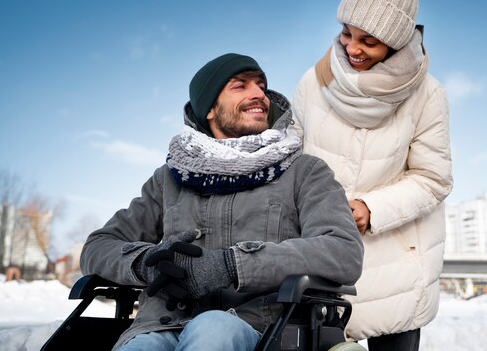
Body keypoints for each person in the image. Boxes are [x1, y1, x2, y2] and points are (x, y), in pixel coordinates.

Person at [80, 53, 364, 351]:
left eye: (261, 86)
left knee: (213, 329)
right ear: (210, 110)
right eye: (240, 86)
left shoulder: (304, 171)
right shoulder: (169, 179)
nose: (259, 95)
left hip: (262, 328)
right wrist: (148, 264)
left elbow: (343, 251)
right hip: (163, 323)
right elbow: (97, 247)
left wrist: (231, 265)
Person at [290, 0, 453, 351]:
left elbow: (434, 178)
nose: (352, 47)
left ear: (395, 43)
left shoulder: (428, 94)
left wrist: (370, 208)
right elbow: (289, 161)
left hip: (396, 261)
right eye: (347, 33)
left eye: (369, 41)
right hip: (322, 253)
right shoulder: (314, 81)